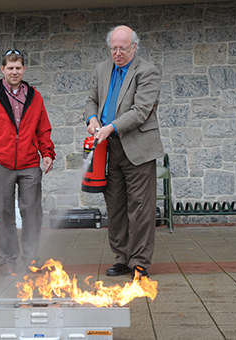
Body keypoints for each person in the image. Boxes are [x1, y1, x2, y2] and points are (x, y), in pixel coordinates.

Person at [85, 25, 164, 278]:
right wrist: (92, 119)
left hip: (137, 147)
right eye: (113, 48)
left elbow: (141, 111)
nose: (117, 53)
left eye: (122, 48)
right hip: (110, 148)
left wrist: (110, 127)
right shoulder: (101, 69)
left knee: (140, 207)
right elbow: (92, 99)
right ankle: (121, 258)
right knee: (115, 205)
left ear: (134, 47)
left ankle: (140, 261)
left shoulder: (147, 71)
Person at [0, 49, 55, 276]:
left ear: (24, 69)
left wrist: (47, 153)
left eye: (18, 67)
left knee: (32, 213)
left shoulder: (34, 96)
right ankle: (8, 261)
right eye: (10, 68)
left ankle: (31, 259)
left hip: (29, 163)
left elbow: (43, 128)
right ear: (3, 70)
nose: (14, 72)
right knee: (4, 213)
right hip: (1, 163)